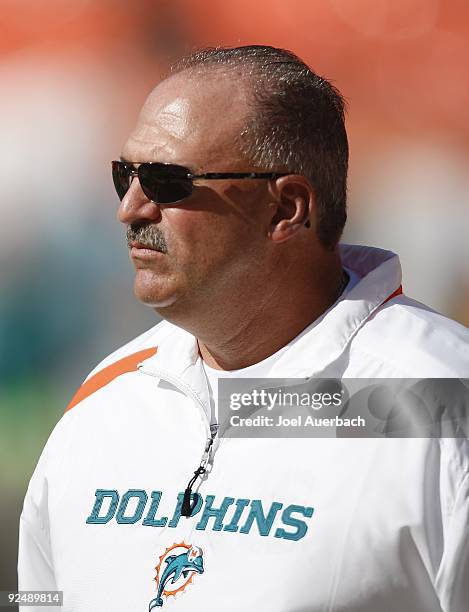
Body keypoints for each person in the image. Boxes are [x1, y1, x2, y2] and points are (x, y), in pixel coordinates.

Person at [18, 45, 469, 612]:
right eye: (124, 175)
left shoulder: (446, 405)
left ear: (287, 208)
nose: (129, 209)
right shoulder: (103, 401)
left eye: (166, 181)